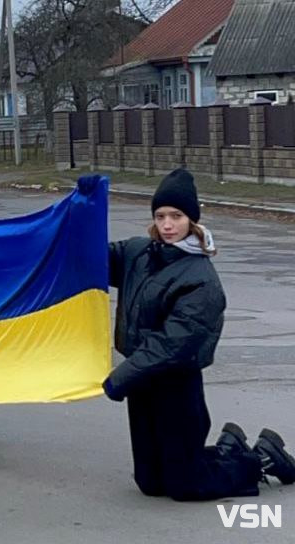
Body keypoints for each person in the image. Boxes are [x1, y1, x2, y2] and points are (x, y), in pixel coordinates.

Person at [102, 168, 295, 501]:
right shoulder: (138, 253)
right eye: (160, 216)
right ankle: (229, 445)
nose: (167, 224)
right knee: (150, 482)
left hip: (176, 384)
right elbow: (93, 258)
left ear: (191, 219)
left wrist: (119, 379)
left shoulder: (201, 279)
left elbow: (172, 344)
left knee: (184, 485)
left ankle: (262, 457)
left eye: (176, 216)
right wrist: (76, 216)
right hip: (143, 382)